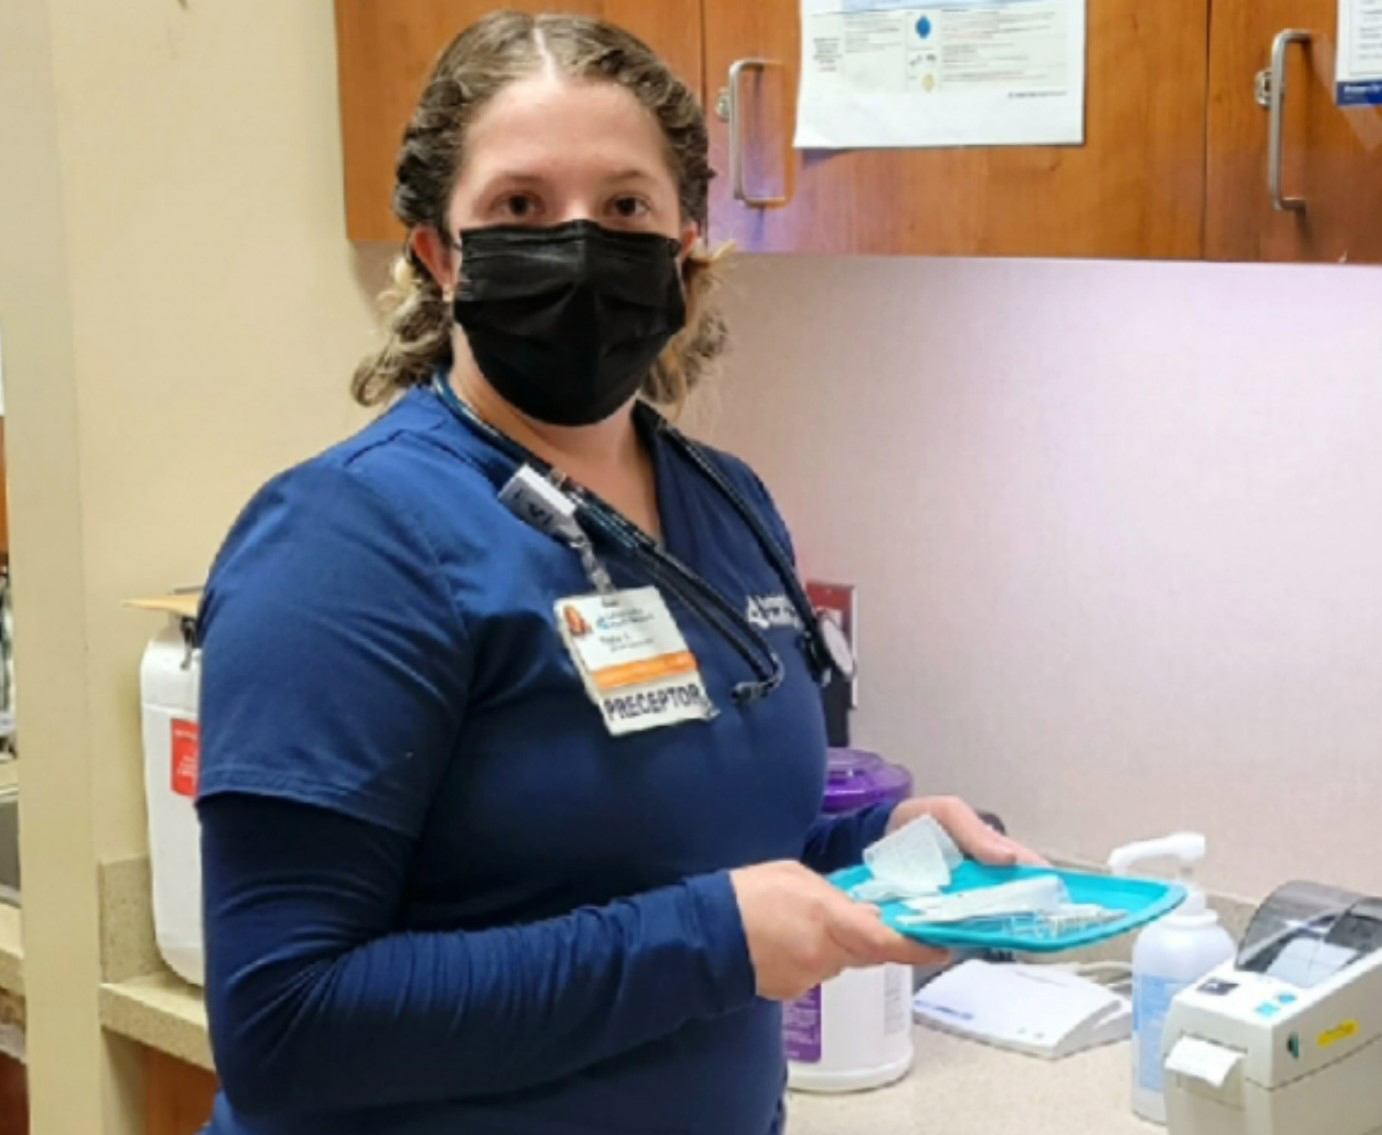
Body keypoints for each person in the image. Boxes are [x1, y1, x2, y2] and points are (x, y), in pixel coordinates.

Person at [196, 12, 1041, 1135]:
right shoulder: (348, 539)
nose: (581, 242)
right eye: (521, 207)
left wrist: (873, 858)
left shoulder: (725, 502)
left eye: (626, 206)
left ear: (687, 234)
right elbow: (283, 1025)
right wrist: (714, 941)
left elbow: (696, 857)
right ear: (439, 253)